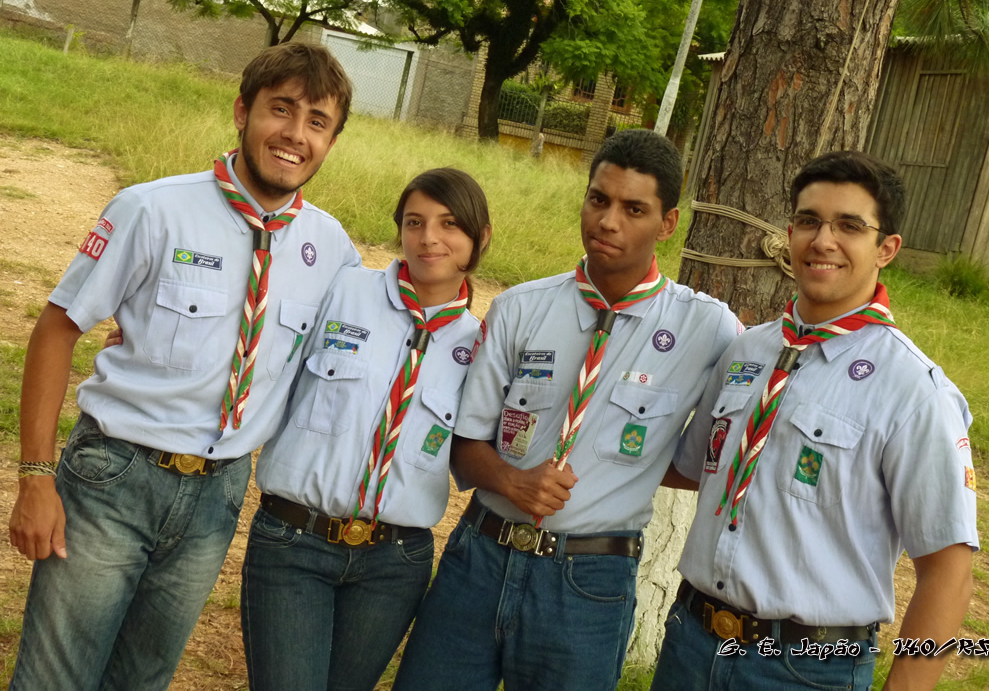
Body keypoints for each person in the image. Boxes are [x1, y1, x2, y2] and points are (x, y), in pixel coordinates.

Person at [8, 41, 361, 690]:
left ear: (332, 141)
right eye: (281, 109)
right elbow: (57, 329)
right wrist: (34, 476)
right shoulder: (152, 209)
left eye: (317, 121)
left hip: (216, 499)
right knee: (56, 679)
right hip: (114, 477)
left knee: (143, 679)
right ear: (242, 111)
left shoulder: (332, 249)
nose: (296, 134)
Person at [392, 129, 742, 691]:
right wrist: (513, 481)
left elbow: (705, 459)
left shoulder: (708, 328)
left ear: (668, 223)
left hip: (589, 584)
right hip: (479, 560)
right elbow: (467, 440)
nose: (608, 221)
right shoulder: (520, 308)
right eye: (598, 199)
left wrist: (629, 473)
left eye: (634, 209)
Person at [651, 151, 977, 691]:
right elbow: (691, 467)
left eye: (850, 226)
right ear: (789, 235)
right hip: (692, 643)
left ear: (887, 248)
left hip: (804, 669)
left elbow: (949, 571)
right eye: (809, 221)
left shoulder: (915, 391)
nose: (823, 240)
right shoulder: (746, 351)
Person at [240, 168, 491, 691]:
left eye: (449, 224)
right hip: (295, 542)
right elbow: (264, 345)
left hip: (394, 564)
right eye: (414, 222)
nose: (428, 238)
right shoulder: (343, 289)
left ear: (480, 237)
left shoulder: (483, 348)